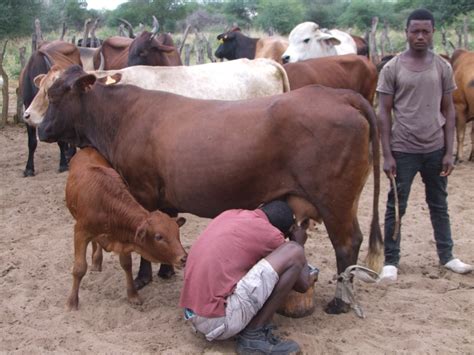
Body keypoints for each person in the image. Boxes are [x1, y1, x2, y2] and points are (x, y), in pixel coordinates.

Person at [377, 8, 473, 281]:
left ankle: (448, 256)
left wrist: (449, 151)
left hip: (434, 148)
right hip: (402, 148)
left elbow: (450, 111)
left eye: (425, 32)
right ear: (407, 33)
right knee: (396, 205)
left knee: (439, 204)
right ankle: (391, 261)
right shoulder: (393, 67)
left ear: (432, 34)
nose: (420, 36)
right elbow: (384, 113)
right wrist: (387, 154)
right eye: (415, 31)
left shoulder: (442, 67)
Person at [179, 200, 316, 354]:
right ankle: (253, 336)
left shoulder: (230, 214)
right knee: (293, 252)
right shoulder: (272, 234)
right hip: (217, 321)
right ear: (285, 232)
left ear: (260, 208)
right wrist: (298, 243)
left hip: (192, 312)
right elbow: (303, 284)